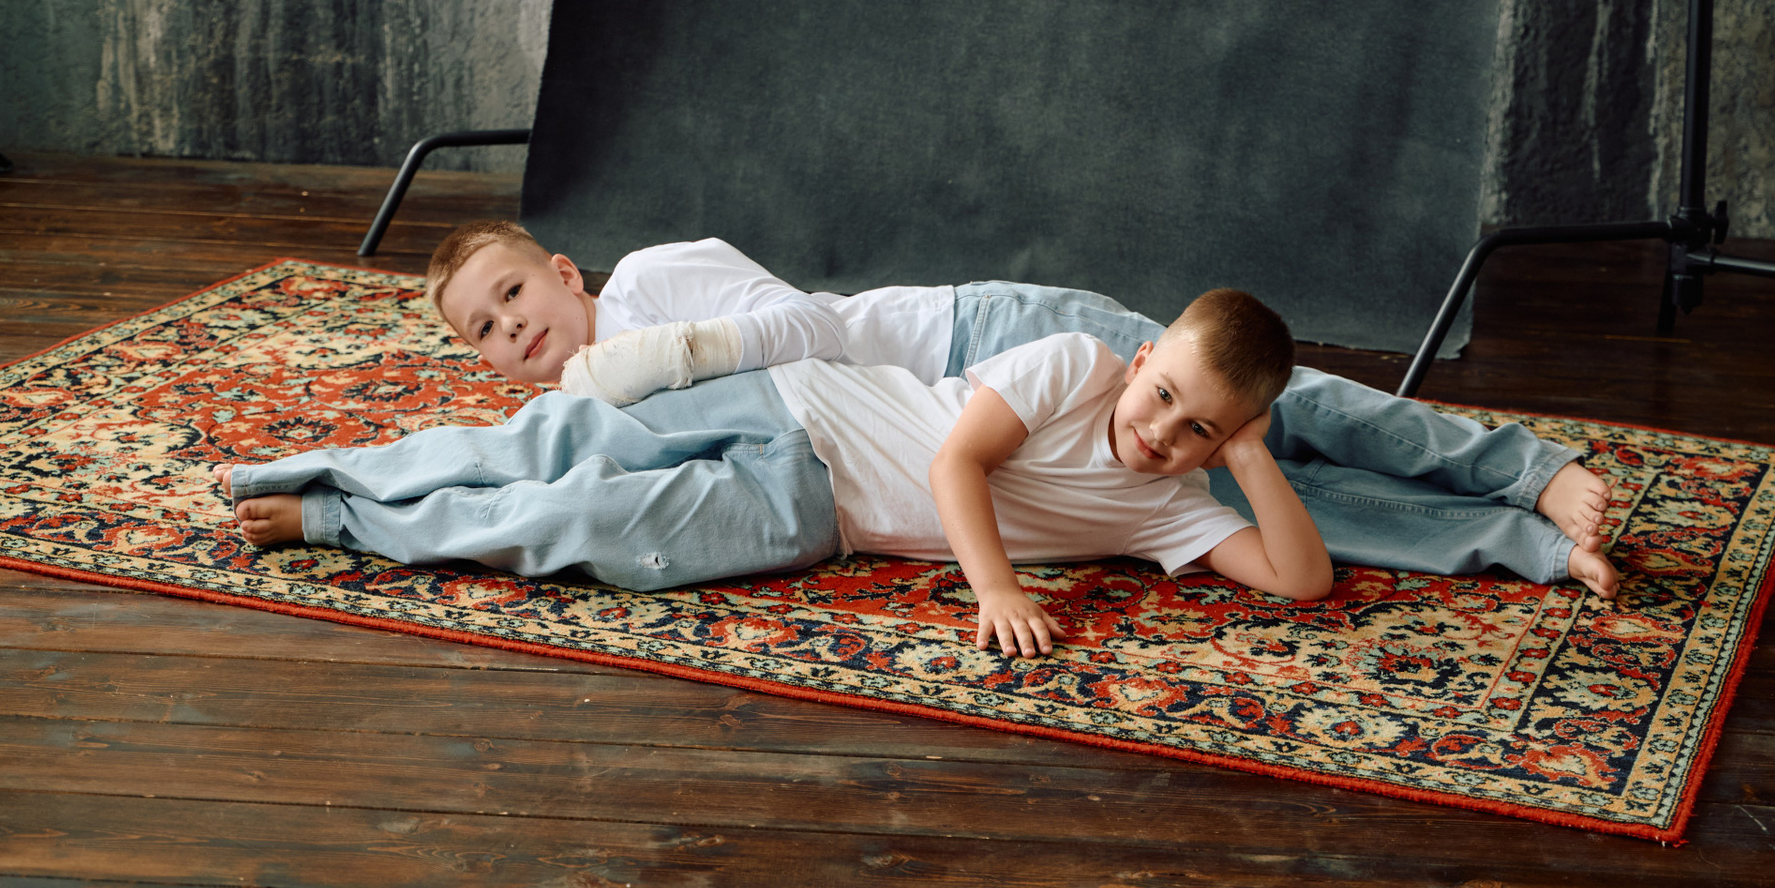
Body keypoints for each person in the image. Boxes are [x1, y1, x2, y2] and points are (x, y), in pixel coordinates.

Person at [221, 283, 1619, 651]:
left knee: (582, 522)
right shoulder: (1079, 358)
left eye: (1199, 430)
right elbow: (959, 466)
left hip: (805, 503)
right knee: (546, 436)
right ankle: (326, 465)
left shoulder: (1173, 506)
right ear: (1142, 359)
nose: (1161, 435)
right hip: (805, 397)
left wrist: (1249, 458)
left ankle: (339, 522)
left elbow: (1302, 581)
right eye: (1166, 399)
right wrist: (996, 588)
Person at [411, 220, 1615, 593]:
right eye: (484, 331)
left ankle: (1521, 467)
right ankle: (1517, 539)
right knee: (1258, 464)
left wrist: (668, 352)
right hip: (920, 423)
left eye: (513, 293)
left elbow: (808, 329)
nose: (512, 327)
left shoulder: (650, 282)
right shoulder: (590, 396)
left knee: (1270, 398)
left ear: (564, 271)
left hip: (972, 340)